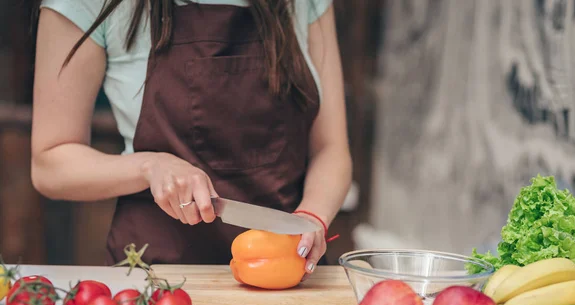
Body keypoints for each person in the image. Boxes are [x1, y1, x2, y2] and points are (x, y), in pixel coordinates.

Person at [30, 0, 352, 277]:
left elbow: (331, 149)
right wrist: (150, 166)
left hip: (289, 278)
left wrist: (313, 216)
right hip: (157, 283)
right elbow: (50, 162)